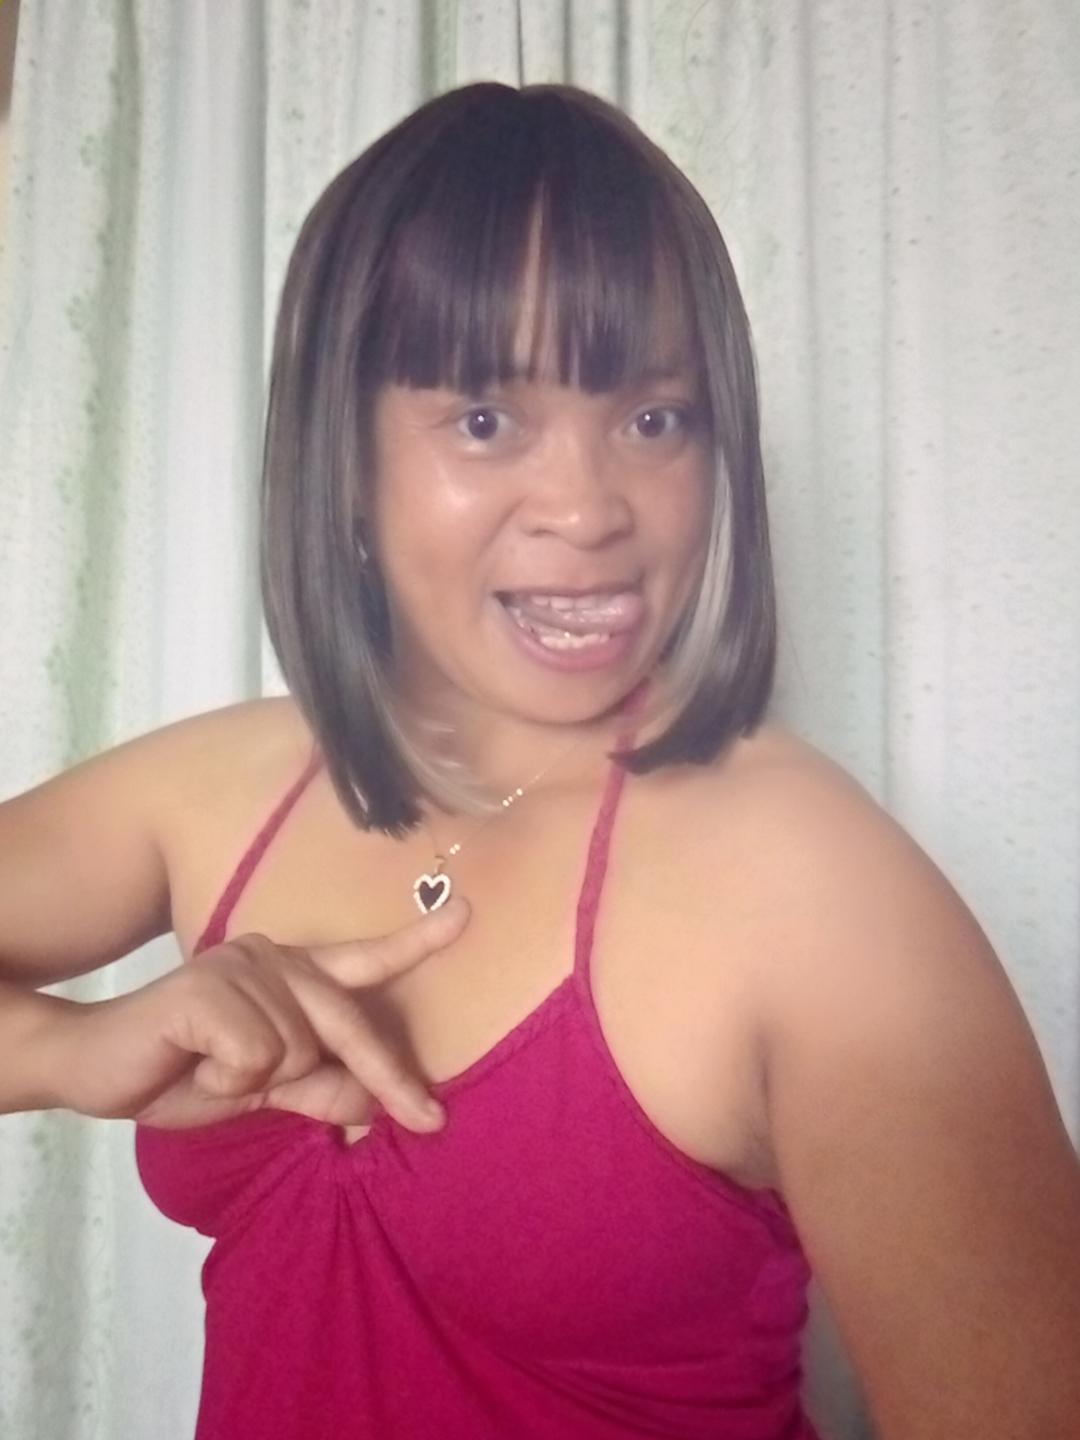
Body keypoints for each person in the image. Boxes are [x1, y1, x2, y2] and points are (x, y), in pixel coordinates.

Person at [1, 80, 1078, 1440]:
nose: (589, 508)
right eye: (485, 419)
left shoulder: (817, 890)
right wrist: (70, 1049)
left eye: (655, 419)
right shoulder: (221, 791)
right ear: (343, 457)